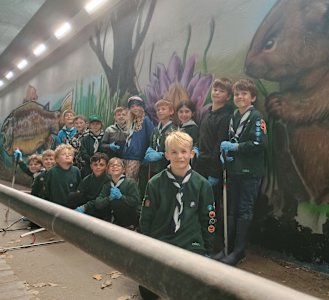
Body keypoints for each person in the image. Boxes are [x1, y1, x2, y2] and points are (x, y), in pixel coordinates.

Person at [139, 131, 215, 300]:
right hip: (161, 241)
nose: (179, 156)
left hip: (191, 243)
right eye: (174, 152)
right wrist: (144, 245)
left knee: (193, 290)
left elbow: (207, 218)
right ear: (166, 155)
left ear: (191, 153)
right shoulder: (155, 183)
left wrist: (207, 249)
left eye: (183, 151)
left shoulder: (202, 185)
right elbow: (146, 217)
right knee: (147, 290)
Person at [217, 79, 267, 266]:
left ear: (252, 98)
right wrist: (226, 154)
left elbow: (259, 143)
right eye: (237, 94)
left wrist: (236, 147)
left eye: (244, 94)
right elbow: (231, 139)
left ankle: (239, 251)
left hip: (250, 172)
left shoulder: (256, 117)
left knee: (244, 211)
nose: (239, 97)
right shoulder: (234, 116)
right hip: (234, 171)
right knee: (231, 209)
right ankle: (227, 249)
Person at [195, 78, 233, 250]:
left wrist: (215, 172)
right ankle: (199, 237)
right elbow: (201, 136)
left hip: (213, 167)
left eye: (221, 90)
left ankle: (214, 243)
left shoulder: (225, 117)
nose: (216, 92)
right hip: (199, 164)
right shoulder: (206, 112)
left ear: (228, 96)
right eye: (215, 89)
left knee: (212, 206)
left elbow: (219, 146)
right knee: (198, 202)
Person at [76, 158, 140, 228]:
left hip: (129, 216)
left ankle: (129, 226)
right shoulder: (107, 185)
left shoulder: (130, 183)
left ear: (123, 170)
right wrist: (108, 198)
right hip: (113, 216)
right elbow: (98, 202)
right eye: (112, 165)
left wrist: (122, 197)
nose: (115, 167)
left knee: (116, 202)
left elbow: (136, 201)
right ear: (108, 170)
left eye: (118, 165)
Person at [70, 153, 111, 221]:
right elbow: (80, 193)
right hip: (88, 203)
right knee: (72, 196)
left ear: (106, 167)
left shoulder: (108, 180)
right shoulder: (87, 179)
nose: (98, 167)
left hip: (99, 206)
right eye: (95, 165)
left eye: (101, 165)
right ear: (91, 166)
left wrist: (85, 207)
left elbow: (100, 201)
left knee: (93, 211)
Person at [122, 97, 154, 180]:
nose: (135, 108)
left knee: (130, 181)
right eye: (132, 107)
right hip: (127, 155)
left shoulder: (146, 120)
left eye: (137, 106)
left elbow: (151, 138)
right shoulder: (131, 122)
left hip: (136, 157)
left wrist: (146, 155)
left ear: (142, 107)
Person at [144, 99, 176, 178]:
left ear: (171, 112)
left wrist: (162, 155)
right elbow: (151, 144)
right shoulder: (155, 130)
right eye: (158, 110)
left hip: (167, 167)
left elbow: (175, 149)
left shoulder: (173, 130)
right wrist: (149, 151)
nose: (160, 111)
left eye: (163, 109)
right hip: (153, 167)